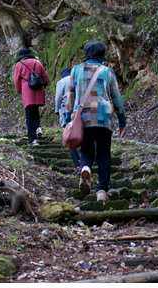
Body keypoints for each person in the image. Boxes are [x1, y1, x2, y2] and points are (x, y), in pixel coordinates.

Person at [65, 41, 126, 202]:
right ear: (101, 56)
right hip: (104, 116)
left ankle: (85, 167)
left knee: (86, 150)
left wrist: (67, 118)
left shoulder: (75, 70)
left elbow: (70, 96)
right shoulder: (107, 72)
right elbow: (116, 98)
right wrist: (122, 121)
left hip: (82, 117)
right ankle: (102, 191)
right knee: (104, 154)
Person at [13, 47, 50, 146]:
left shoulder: (19, 65)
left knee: (29, 115)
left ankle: (33, 140)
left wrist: (19, 91)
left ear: (21, 57)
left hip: (27, 91)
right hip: (38, 90)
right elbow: (45, 78)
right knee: (36, 111)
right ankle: (38, 127)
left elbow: (16, 80)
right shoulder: (37, 62)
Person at [54, 67, 81, 173]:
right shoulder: (77, 79)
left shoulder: (61, 82)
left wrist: (57, 111)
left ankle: (77, 164)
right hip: (79, 109)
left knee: (70, 136)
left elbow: (58, 98)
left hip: (67, 109)